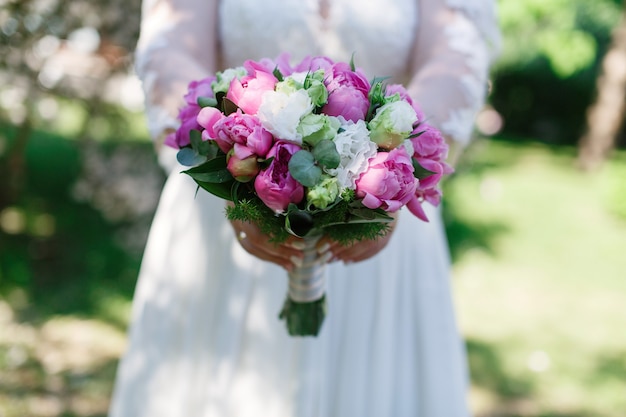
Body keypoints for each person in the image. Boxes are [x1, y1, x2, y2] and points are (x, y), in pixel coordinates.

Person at [109, 0, 500, 416]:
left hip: (380, 217)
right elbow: (171, 47)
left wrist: (394, 169)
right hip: (229, 208)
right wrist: (234, 168)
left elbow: (454, 55)